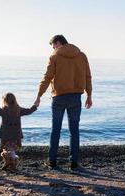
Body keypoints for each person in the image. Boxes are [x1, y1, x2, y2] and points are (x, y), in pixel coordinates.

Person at [34, 35, 92, 170]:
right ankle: (73, 162)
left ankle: (52, 161)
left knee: (56, 130)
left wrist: (39, 95)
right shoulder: (82, 56)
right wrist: (89, 95)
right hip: (76, 97)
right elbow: (87, 76)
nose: (53, 49)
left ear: (58, 43)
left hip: (59, 97)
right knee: (74, 131)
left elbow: (47, 77)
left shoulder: (55, 56)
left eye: (53, 46)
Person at [0, 92, 37, 170]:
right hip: (16, 135)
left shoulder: (3, 110)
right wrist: (35, 105)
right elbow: (29, 111)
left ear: (4, 101)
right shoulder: (18, 110)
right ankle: (11, 163)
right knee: (11, 150)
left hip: (5, 135)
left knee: (4, 151)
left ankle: (10, 162)